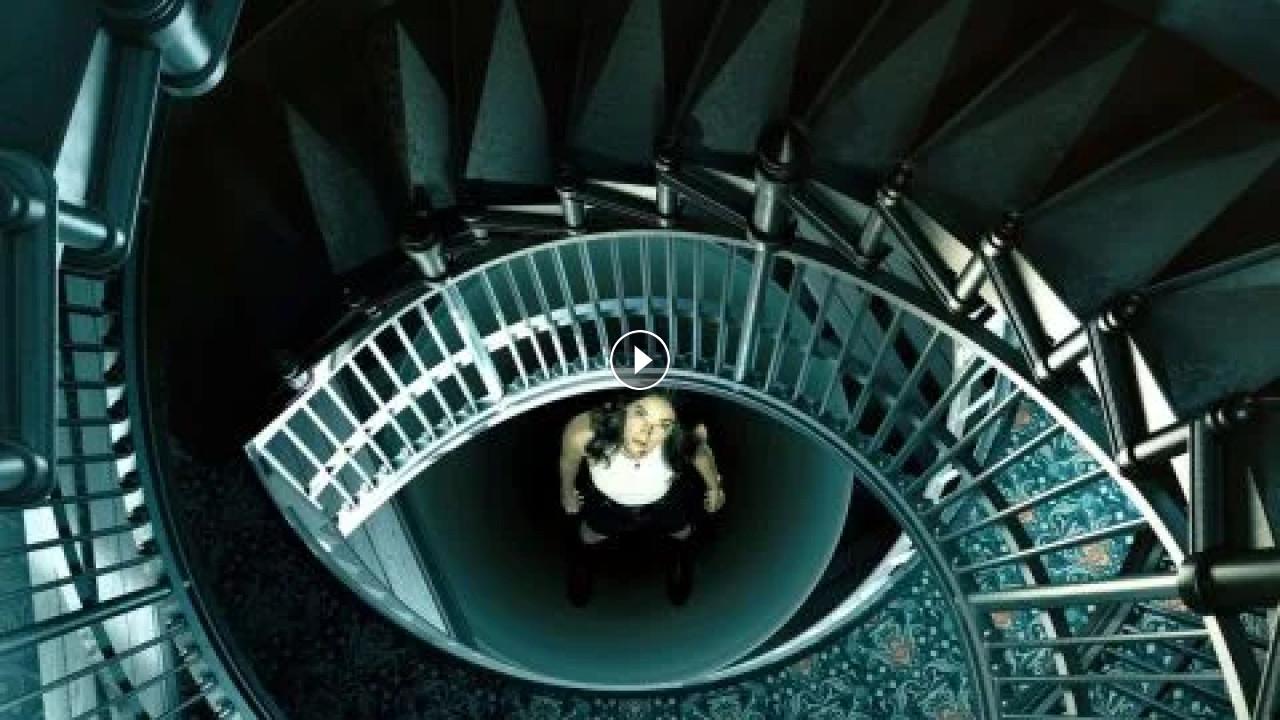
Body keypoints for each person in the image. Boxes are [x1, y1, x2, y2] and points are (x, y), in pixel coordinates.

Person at [558, 391, 726, 606]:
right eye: (640, 414)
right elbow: (569, 461)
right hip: (607, 503)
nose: (646, 434)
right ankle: (583, 563)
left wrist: (714, 488)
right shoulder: (586, 432)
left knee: (682, 531)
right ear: (622, 408)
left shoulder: (683, 435)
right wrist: (567, 492)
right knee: (589, 535)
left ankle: (679, 559)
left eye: (663, 425)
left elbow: (701, 454)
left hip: (664, 501)